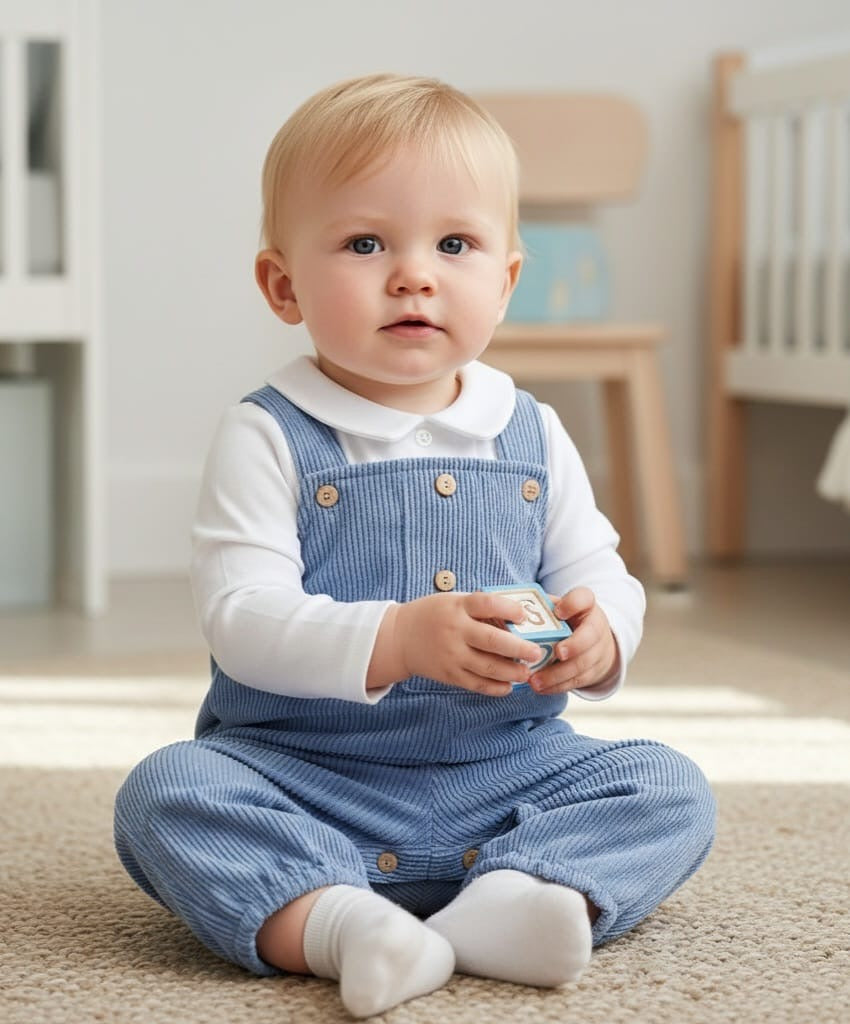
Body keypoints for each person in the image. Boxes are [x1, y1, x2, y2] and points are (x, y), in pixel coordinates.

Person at [114, 73, 716, 1019]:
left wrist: (606, 634)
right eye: (365, 243)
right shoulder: (270, 433)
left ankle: (517, 901)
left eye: (455, 244)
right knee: (166, 793)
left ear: (505, 279)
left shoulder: (530, 429)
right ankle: (339, 922)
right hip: (308, 780)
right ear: (283, 285)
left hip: (504, 773)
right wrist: (396, 638)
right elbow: (242, 621)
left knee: (669, 786)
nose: (414, 274)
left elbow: (597, 569)